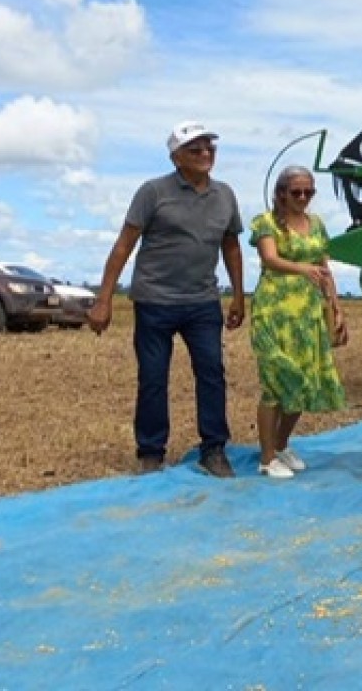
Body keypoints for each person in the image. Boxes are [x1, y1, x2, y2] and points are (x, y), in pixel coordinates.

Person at [89, 121, 244, 478]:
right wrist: (104, 298)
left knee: (212, 374)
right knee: (153, 377)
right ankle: (151, 453)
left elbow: (231, 246)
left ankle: (214, 450)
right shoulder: (153, 192)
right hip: (154, 300)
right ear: (176, 158)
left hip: (203, 301)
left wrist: (238, 295)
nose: (205, 155)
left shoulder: (225, 195)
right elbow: (125, 244)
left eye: (210, 149)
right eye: (196, 150)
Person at [247, 166, 347, 479]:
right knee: (277, 380)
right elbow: (270, 258)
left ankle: (280, 444)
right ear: (281, 194)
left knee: (304, 380)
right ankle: (266, 457)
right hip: (275, 310)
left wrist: (335, 306)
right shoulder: (266, 223)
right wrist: (302, 269)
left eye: (309, 192)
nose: (303, 198)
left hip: (307, 311)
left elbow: (324, 267)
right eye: (296, 192)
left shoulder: (316, 224)